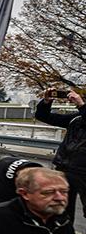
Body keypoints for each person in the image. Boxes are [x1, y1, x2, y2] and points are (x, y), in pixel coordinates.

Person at [34, 89, 85, 220]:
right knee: (61, 211)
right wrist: (46, 101)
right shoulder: (76, 118)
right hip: (64, 170)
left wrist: (81, 105)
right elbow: (43, 116)